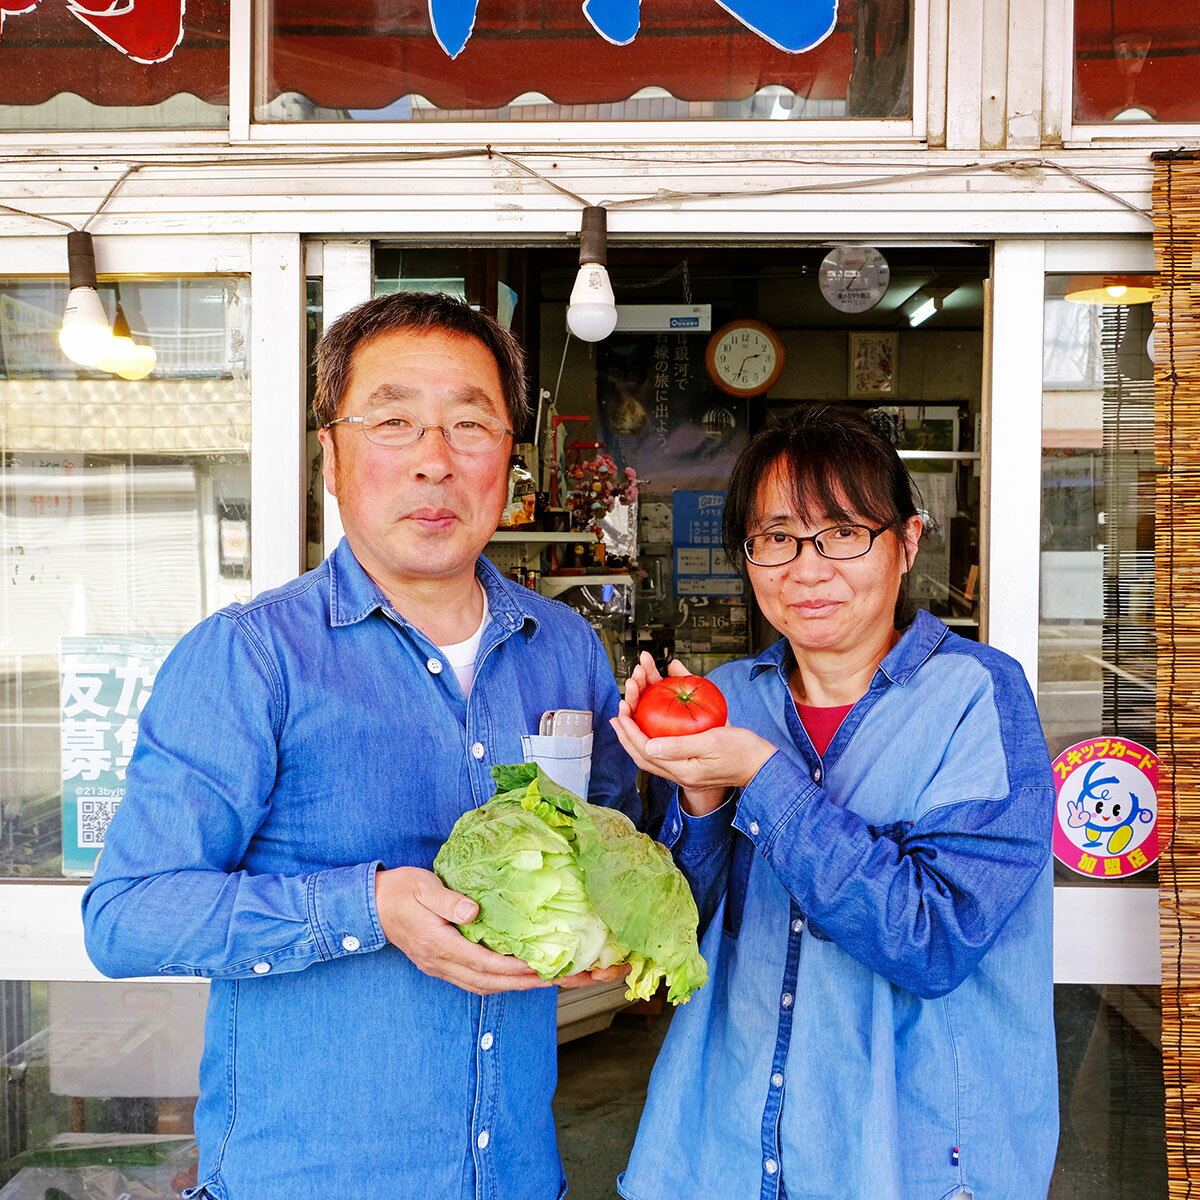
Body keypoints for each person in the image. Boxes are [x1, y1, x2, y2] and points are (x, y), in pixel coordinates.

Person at [82, 291, 639, 1200]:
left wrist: (640, 875)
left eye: (470, 423)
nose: (434, 462)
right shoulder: (252, 657)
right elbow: (127, 917)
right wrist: (365, 909)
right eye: (393, 422)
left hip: (516, 1177)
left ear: (508, 456)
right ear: (331, 458)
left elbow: (614, 844)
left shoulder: (566, 649)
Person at [611, 404, 1057, 1200]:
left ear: (909, 542)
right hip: (728, 1143)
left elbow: (931, 937)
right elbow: (669, 940)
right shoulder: (724, 700)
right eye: (776, 537)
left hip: (908, 1157)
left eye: (844, 532)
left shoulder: (978, 695)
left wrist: (763, 775)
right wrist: (702, 794)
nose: (807, 569)